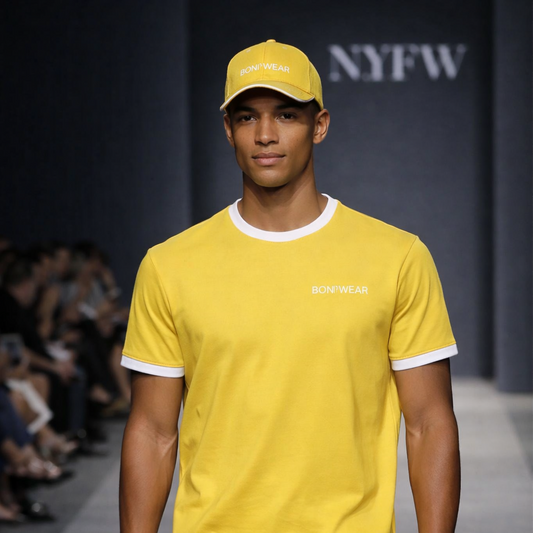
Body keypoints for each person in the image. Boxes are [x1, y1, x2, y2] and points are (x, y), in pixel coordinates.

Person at [120, 39, 460, 533]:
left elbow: (429, 423)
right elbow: (152, 432)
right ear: (228, 129)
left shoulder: (397, 258)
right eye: (246, 117)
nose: (265, 135)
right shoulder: (169, 266)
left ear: (319, 125)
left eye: (285, 115)